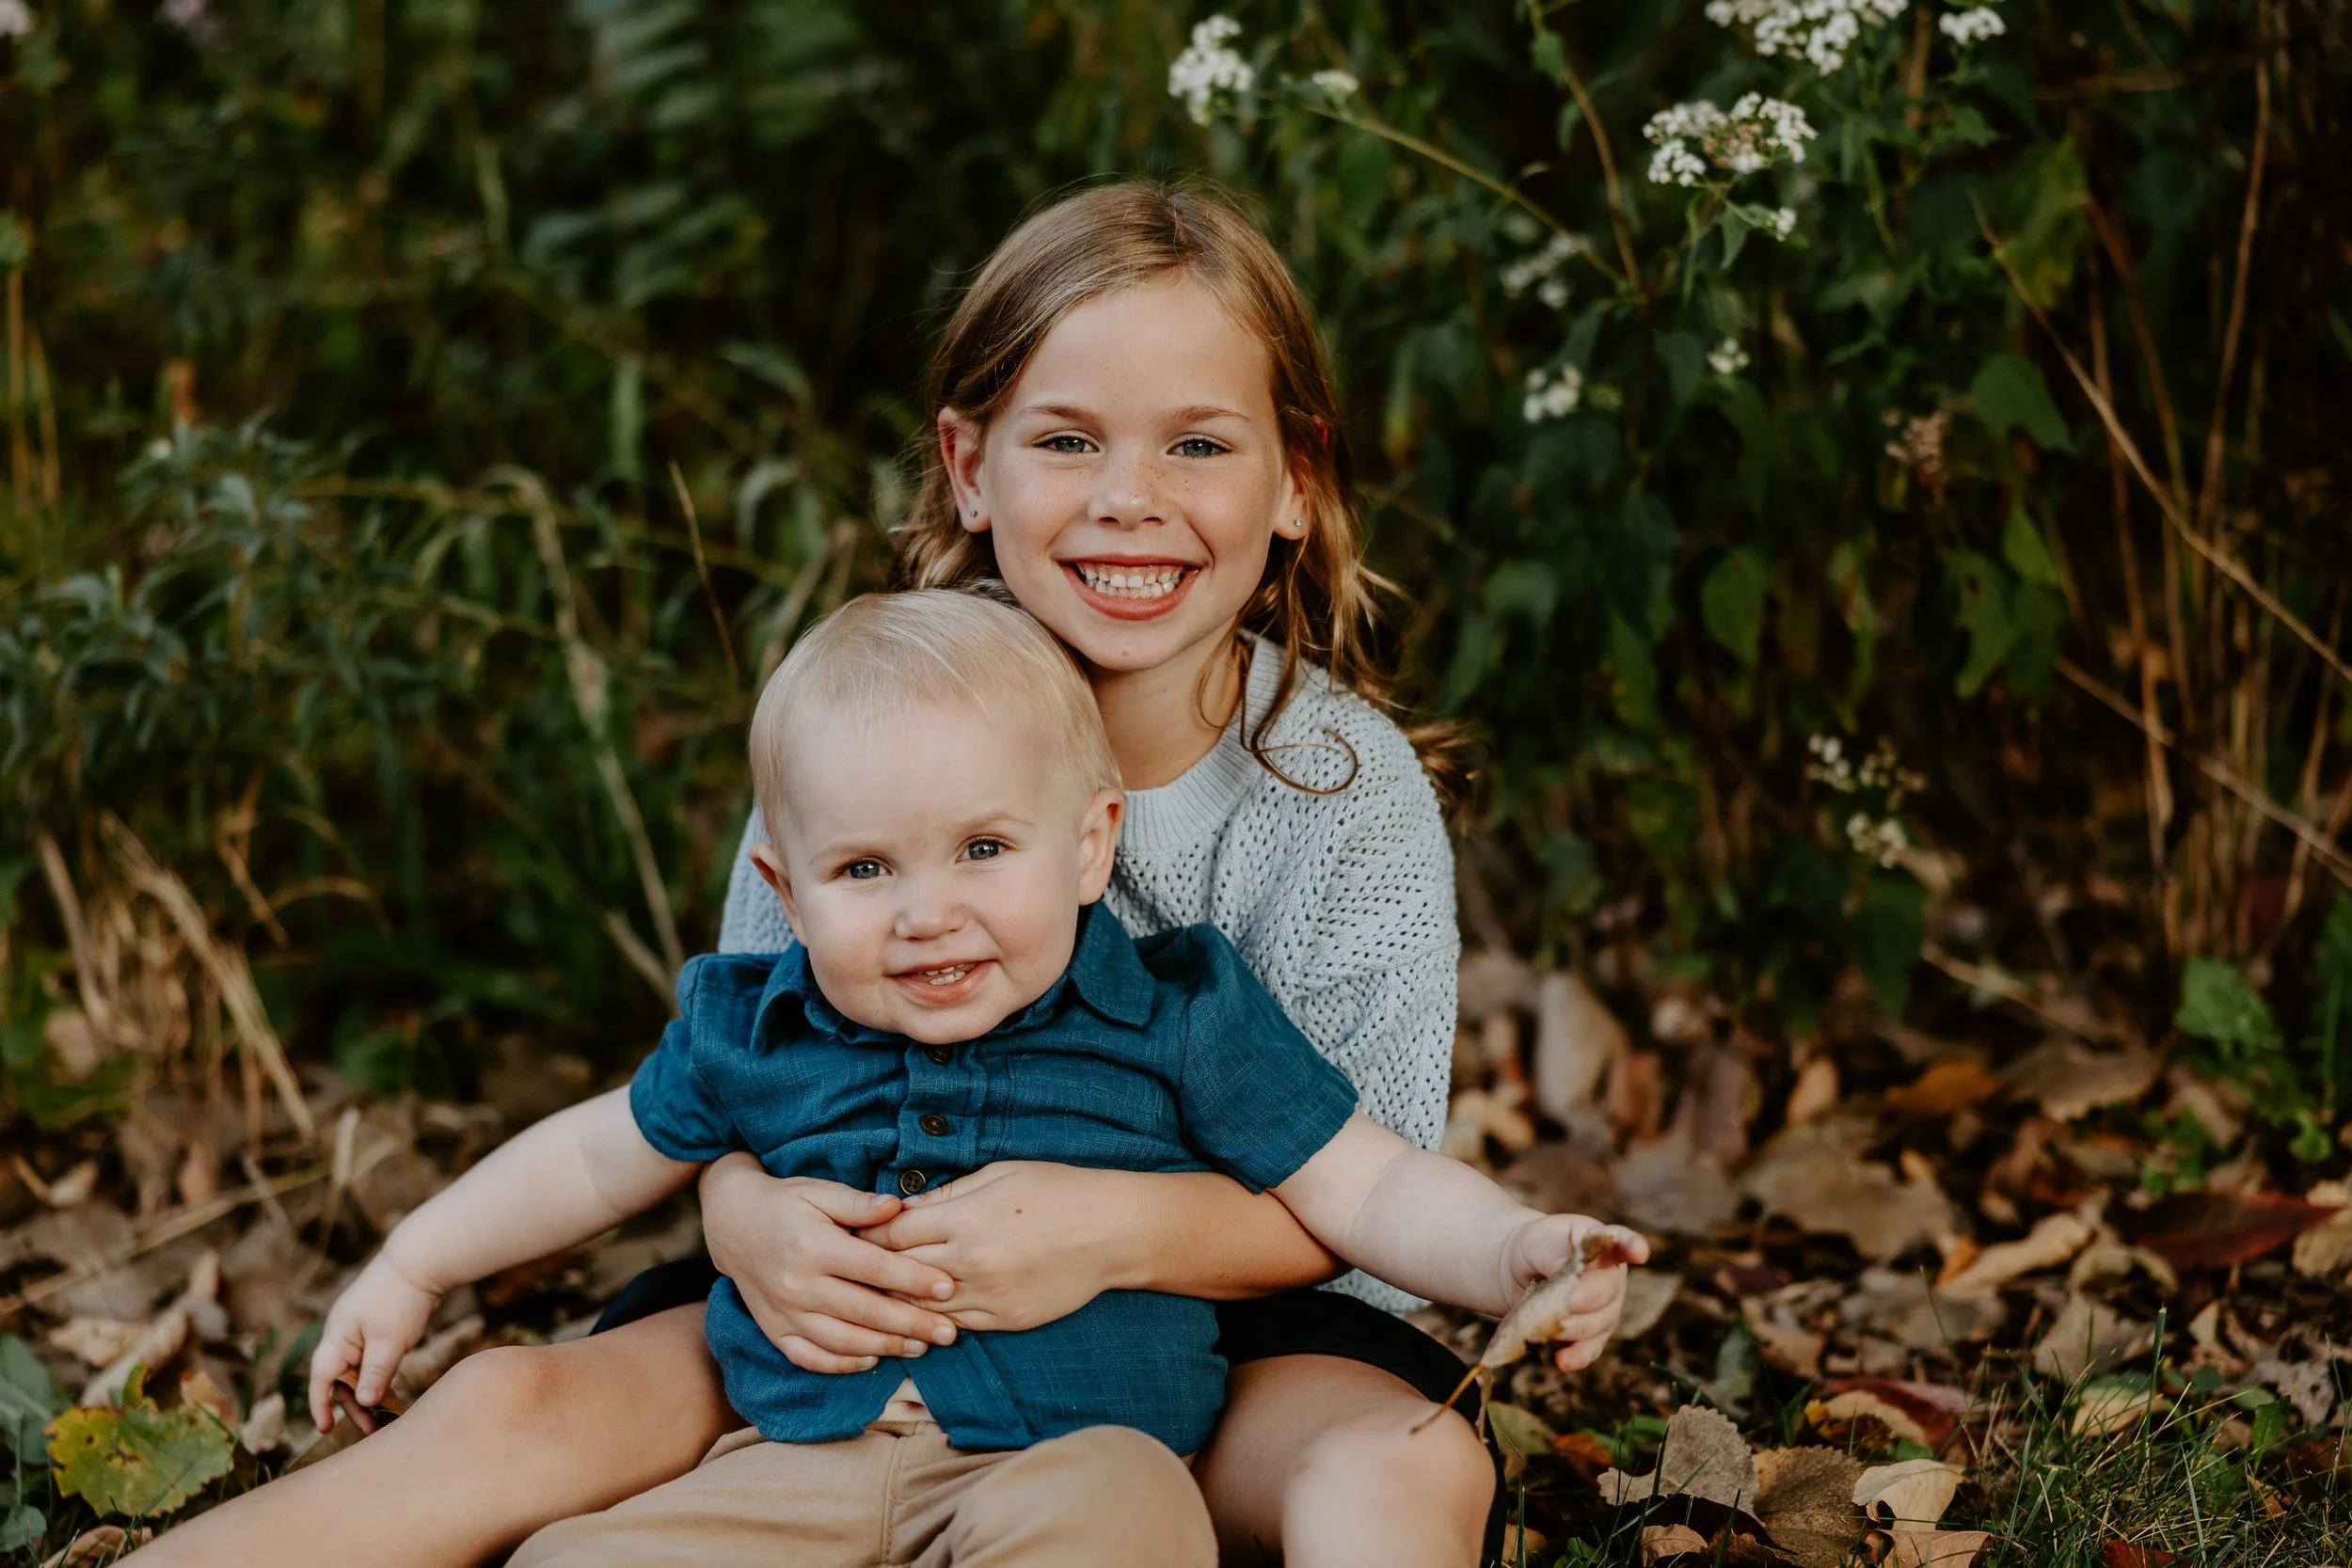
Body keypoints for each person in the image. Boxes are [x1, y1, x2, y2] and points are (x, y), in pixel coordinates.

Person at [132, 179, 1641, 1568]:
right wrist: (743, 1214)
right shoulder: (857, 733)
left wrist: (1104, 1233)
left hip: (1250, 1328)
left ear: (1295, 479)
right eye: (1067, 439)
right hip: (845, 1296)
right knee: (518, 1404)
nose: (1129, 497)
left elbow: (1363, 1192)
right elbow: (745, 1068)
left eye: (1198, 442)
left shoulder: (1341, 790)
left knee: (1397, 1467)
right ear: (969, 465)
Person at [298, 589, 1644, 1567]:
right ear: (786, 890)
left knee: (1121, 1513)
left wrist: (1515, 1247)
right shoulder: (761, 1023)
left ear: (1090, 844)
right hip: (790, 1465)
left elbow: (1371, 1181)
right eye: (866, 869)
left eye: (983, 850)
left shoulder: (1177, 1011)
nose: (927, 913)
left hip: (1063, 1462)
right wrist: (415, 1262)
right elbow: (592, 1156)